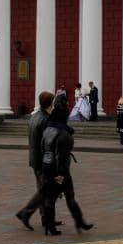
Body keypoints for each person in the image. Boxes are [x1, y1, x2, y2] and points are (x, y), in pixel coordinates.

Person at [41, 99, 92, 235]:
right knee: (66, 196)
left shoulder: (47, 129)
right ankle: (77, 222)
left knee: (53, 198)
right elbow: (62, 156)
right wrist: (61, 174)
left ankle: (53, 225)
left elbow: (43, 148)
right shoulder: (64, 134)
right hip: (59, 170)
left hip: (47, 166)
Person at [15, 91, 57, 231]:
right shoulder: (45, 120)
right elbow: (47, 144)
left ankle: (47, 219)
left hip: (35, 159)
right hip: (43, 160)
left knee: (44, 189)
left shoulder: (34, 117)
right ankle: (25, 213)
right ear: (50, 103)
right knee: (45, 190)